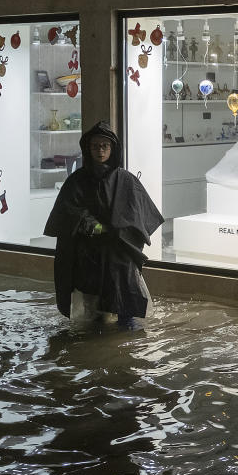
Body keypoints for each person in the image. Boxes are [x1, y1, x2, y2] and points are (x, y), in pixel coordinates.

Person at [44, 121, 163, 328]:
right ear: (88, 149)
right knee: (93, 309)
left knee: (125, 305)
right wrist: (89, 224)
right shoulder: (76, 181)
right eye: (95, 146)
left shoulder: (126, 180)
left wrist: (117, 230)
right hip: (88, 254)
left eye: (104, 146)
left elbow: (139, 215)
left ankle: (126, 330)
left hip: (119, 253)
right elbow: (67, 211)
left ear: (112, 148)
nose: (100, 151)